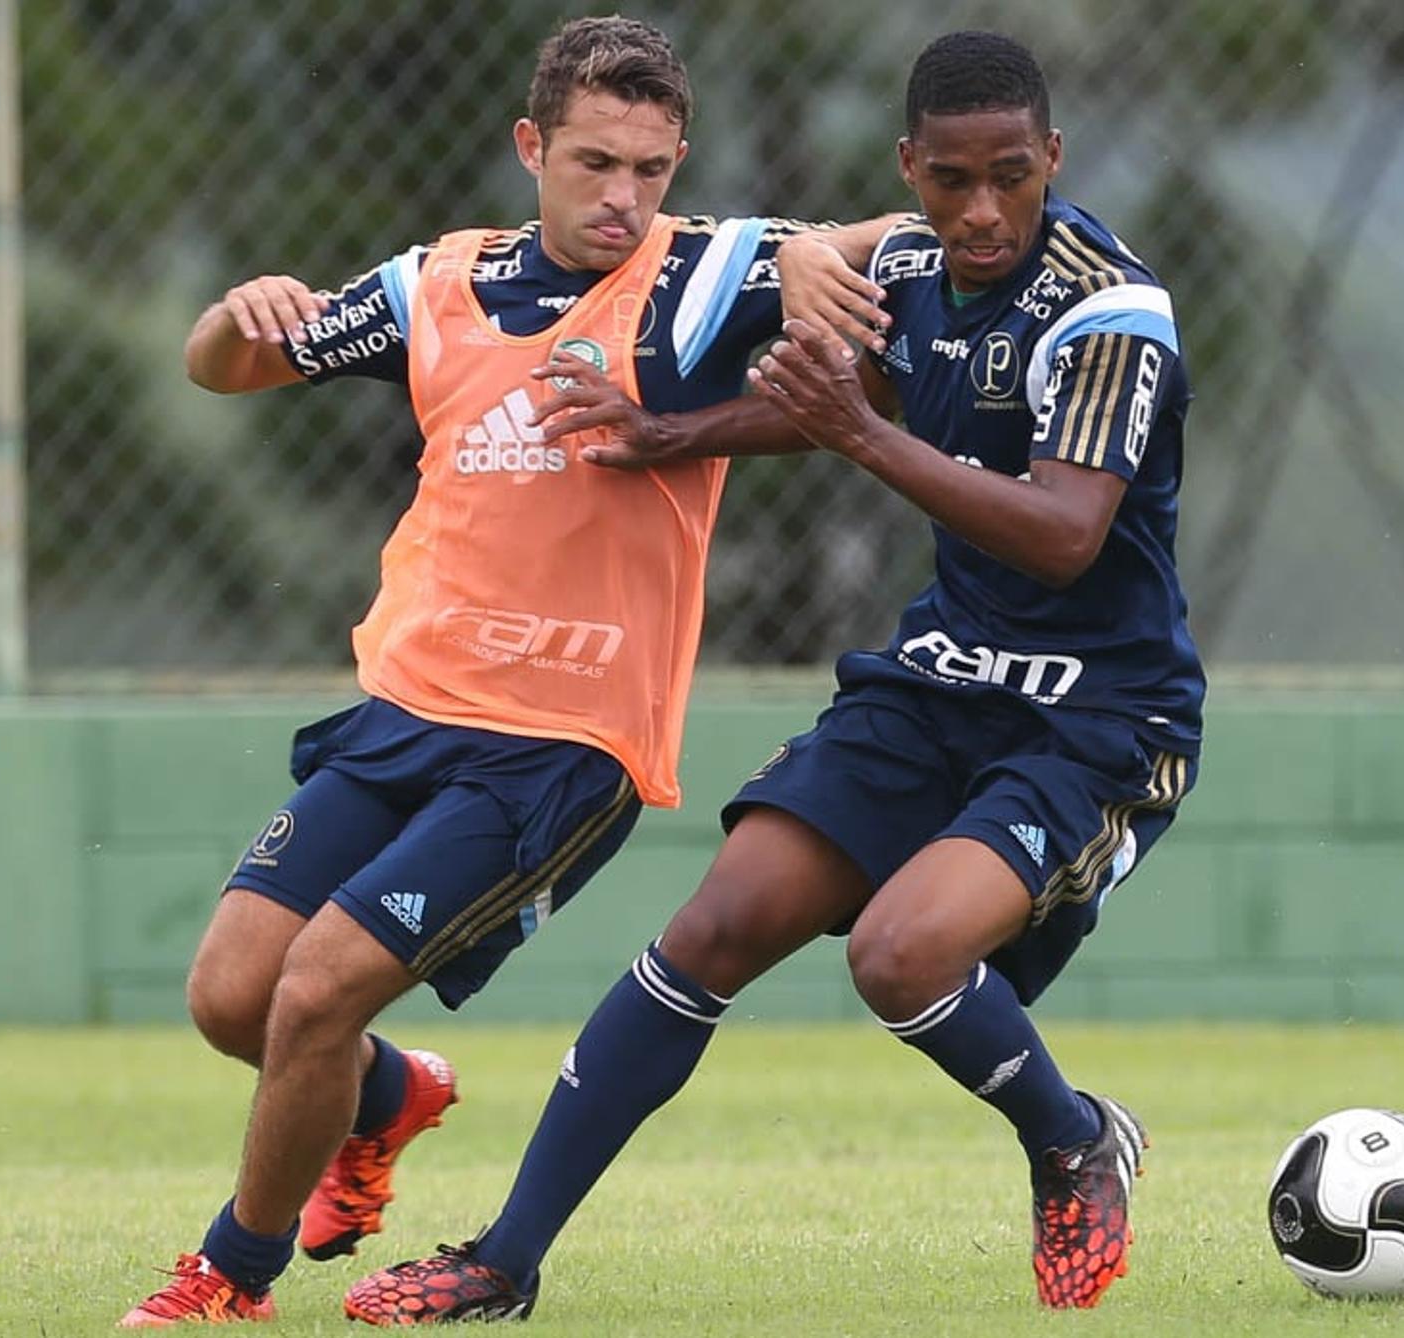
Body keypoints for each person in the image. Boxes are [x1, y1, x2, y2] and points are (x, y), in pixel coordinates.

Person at [346, 29, 1204, 1323]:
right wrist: (669, 430)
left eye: (1011, 178)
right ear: (909, 168)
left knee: (897, 955)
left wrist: (861, 435)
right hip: (935, 684)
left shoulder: (1109, 309)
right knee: (713, 928)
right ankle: (504, 1260)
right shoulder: (908, 263)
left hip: (1096, 715)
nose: (981, 211)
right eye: (951, 179)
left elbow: (1062, 527)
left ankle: (1072, 1136)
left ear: (1053, 162)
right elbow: (838, 381)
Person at [119, 16, 894, 1328]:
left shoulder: (698, 276)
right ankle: (387, 1097)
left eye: (651, 169)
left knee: (316, 988)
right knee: (232, 995)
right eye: (595, 163)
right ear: (531, 145)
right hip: (404, 709)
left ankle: (226, 1279)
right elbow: (225, 366)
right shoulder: (435, 282)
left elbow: (885, 239)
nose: (623, 196)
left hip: (559, 746)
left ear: (678, 164)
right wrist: (231, 316)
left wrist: (820, 245)